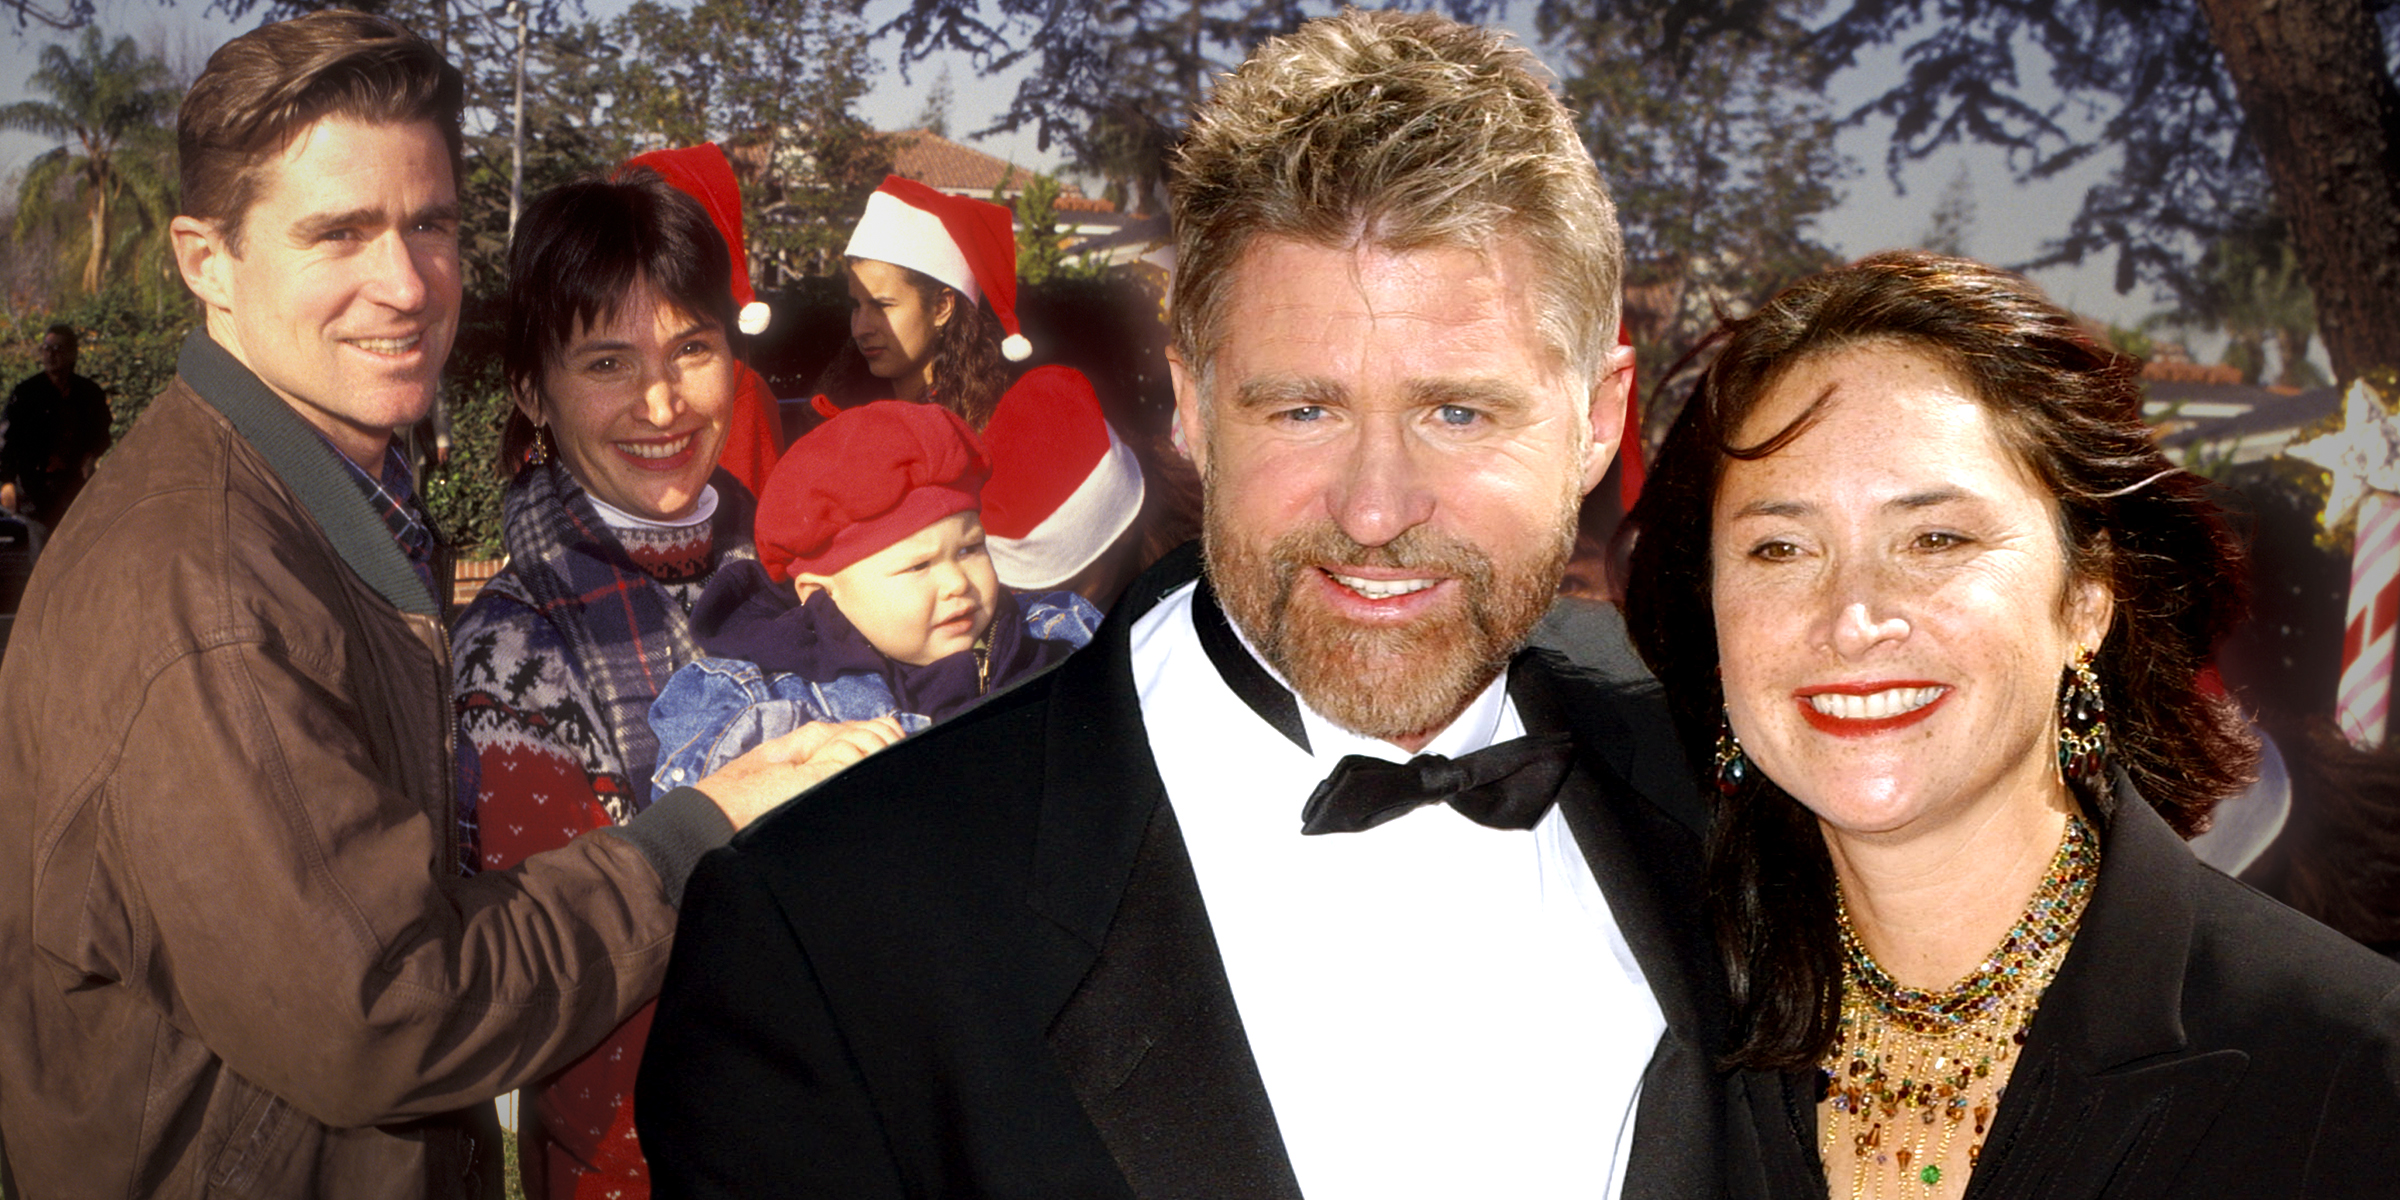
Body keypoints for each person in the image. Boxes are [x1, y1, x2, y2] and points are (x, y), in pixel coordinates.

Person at [637, 11, 1723, 1198]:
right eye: (1301, 409)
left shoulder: (1728, 815)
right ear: (1192, 403)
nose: (1375, 507)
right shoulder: (829, 937)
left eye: (1459, 412)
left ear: (1599, 419)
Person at [0, 15, 884, 1196]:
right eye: (339, 232)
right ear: (206, 261)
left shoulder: (321, 506)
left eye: (430, 224)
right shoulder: (203, 589)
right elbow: (389, 1012)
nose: (408, 283)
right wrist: (700, 828)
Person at [1620, 250, 2400, 1198]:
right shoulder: (1651, 1021)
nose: (1854, 617)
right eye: (1781, 548)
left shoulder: (2348, 1064)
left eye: (1936, 539)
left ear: (2087, 598)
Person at [449, 157, 893, 1198]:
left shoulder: (804, 557)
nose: (661, 400)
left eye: (691, 348)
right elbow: (545, 968)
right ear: (531, 389)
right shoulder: (519, 651)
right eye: (606, 362)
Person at [647, 399, 1100, 790]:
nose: (957, 583)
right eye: (919, 566)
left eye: (969, 548)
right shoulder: (761, 698)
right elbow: (696, 802)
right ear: (822, 596)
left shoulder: (1054, 634)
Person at [812, 176, 1151, 600]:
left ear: (941, 306)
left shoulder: (1001, 428)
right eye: (855, 306)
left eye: (882, 305)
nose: (861, 327)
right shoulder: (846, 418)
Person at [1, 322, 113, 527]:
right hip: (33, 490)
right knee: (39, 553)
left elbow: (102, 433)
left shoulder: (88, 393)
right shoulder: (26, 393)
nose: (50, 355)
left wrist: (91, 455)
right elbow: (6, 440)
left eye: (57, 349)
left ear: (72, 354)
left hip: (73, 487)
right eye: (46, 348)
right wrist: (6, 482)